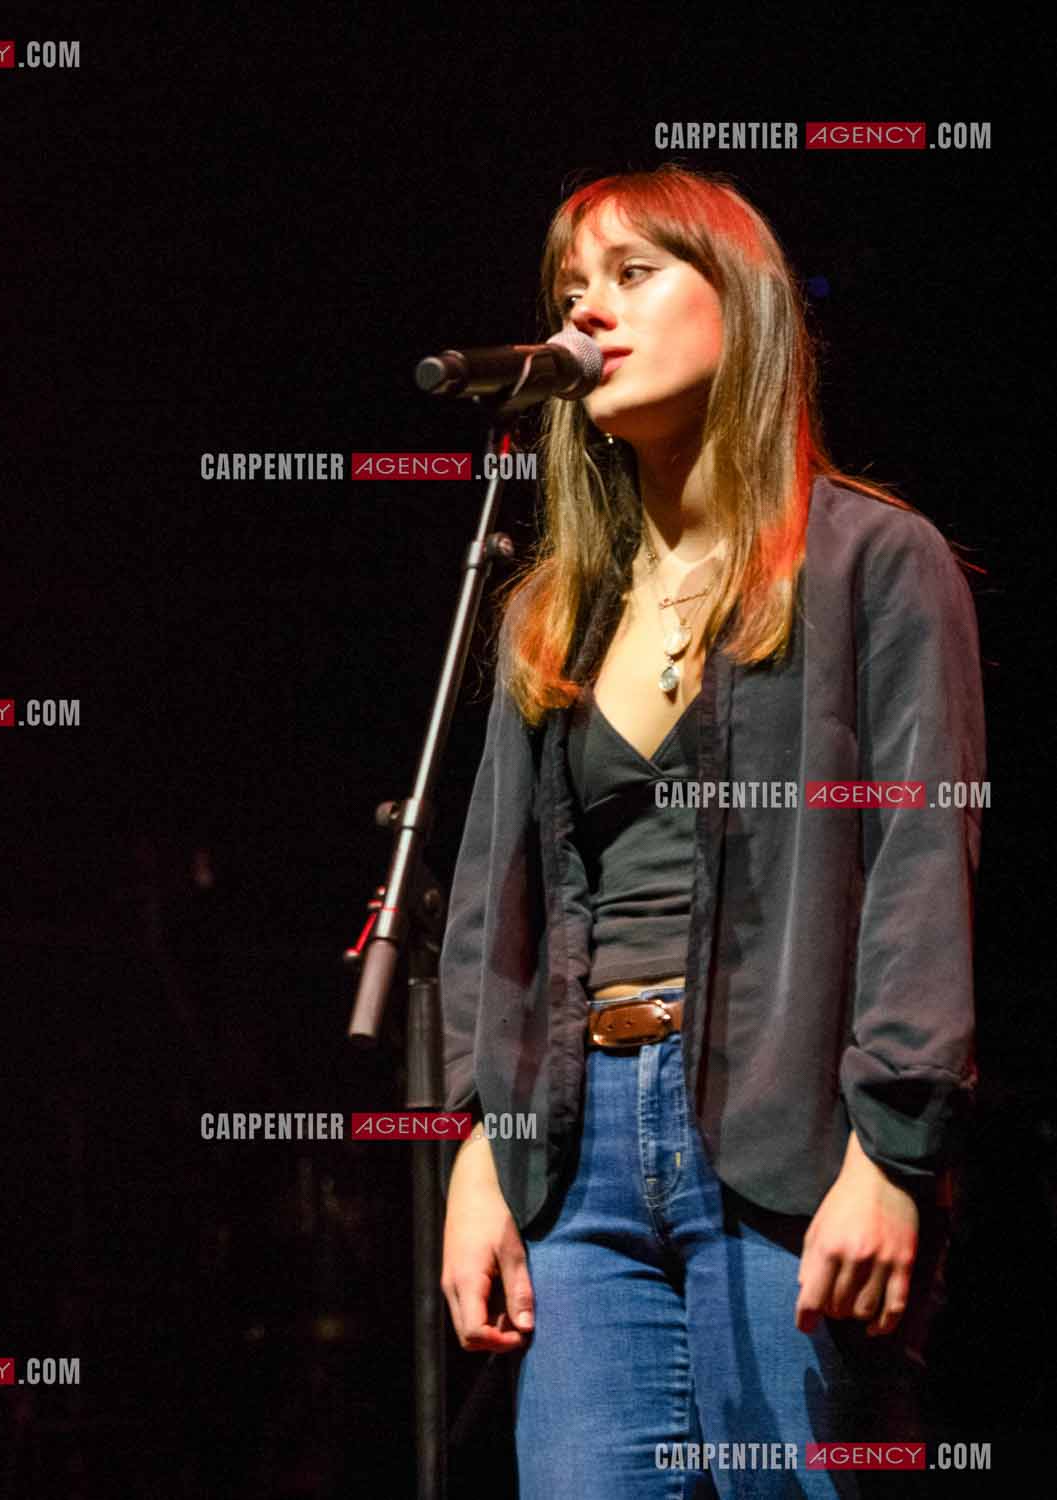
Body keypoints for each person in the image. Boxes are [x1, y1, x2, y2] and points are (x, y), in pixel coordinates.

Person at [435, 167, 983, 1498]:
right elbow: (483, 908)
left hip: (787, 1128)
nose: (589, 317)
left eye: (634, 276)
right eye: (572, 291)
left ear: (738, 308)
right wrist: (475, 1149)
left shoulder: (869, 562)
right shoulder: (546, 610)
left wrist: (890, 1155)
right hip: (579, 1157)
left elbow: (920, 867)